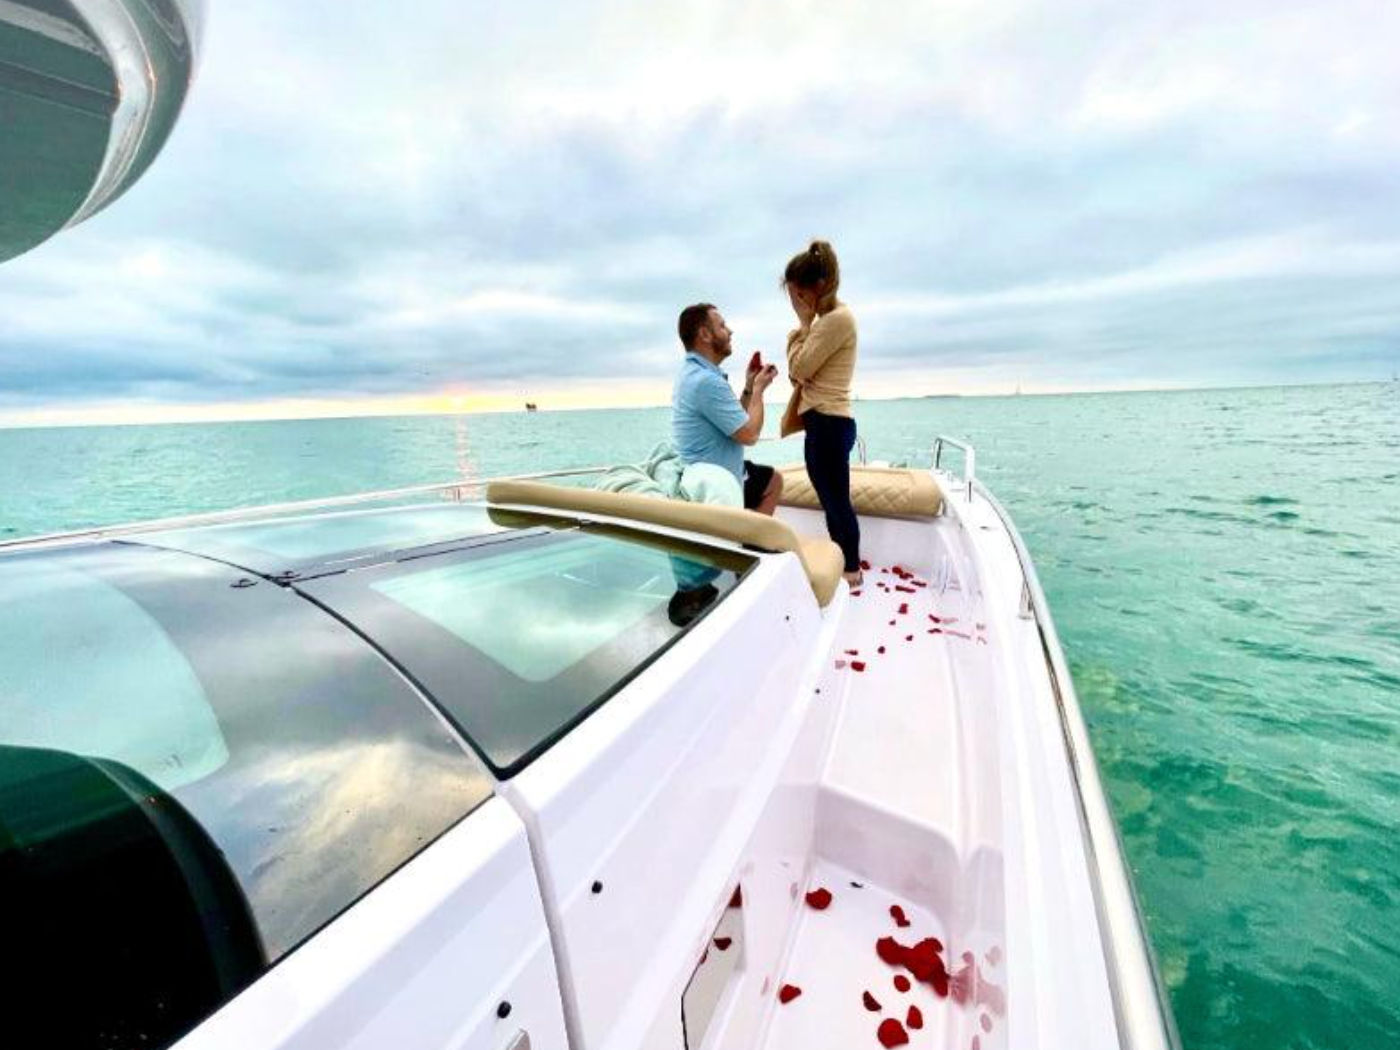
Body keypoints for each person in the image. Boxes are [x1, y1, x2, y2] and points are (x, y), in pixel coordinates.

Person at [781, 240, 862, 584]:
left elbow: (799, 369)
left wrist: (801, 325)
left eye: (796, 295)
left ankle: (850, 570)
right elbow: (798, 370)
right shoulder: (827, 321)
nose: (795, 303)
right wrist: (804, 331)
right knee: (832, 500)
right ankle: (847, 566)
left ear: (814, 288)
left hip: (828, 423)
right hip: (825, 423)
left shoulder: (834, 321)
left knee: (836, 501)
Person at [672, 303, 784, 514]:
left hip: (703, 476)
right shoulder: (705, 381)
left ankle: (751, 540)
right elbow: (749, 435)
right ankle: (749, 544)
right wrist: (760, 390)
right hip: (715, 488)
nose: (730, 331)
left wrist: (750, 385)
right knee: (772, 482)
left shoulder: (693, 374)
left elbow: (736, 423)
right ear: (705, 334)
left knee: (772, 480)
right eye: (722, 326)